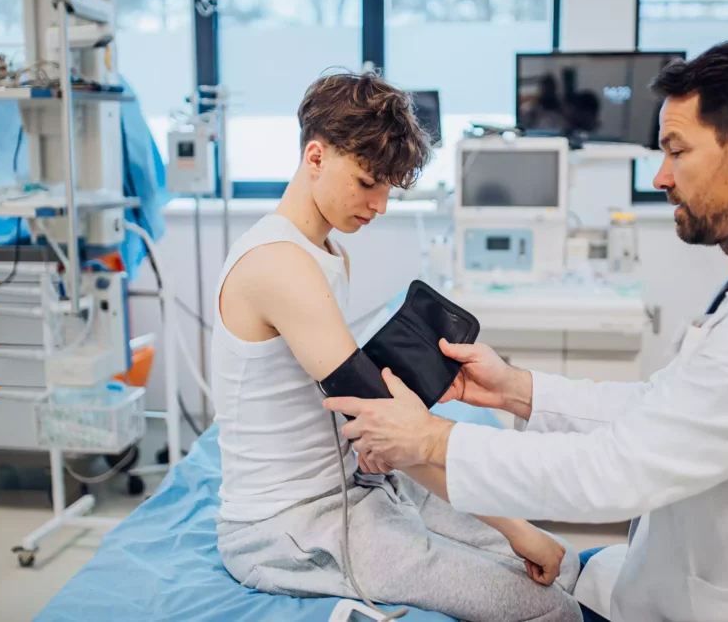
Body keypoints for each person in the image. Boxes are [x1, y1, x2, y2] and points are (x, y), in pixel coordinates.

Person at [326, 38, 728, 621]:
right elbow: (667, 408)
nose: (660, 176)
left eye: (676, 151)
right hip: (673, 572)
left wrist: (430, 439)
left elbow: (619, 469)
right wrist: (514, 389)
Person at [211, 71, 584, 621]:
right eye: (367, 182)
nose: (380, 204)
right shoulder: (278, 265)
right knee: (549, 610)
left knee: (568, 566)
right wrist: (519, 531)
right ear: (315, 157)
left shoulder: (325, 249)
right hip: (289, 523)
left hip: (358, 483)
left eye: (388, 186)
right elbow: (387, 427)